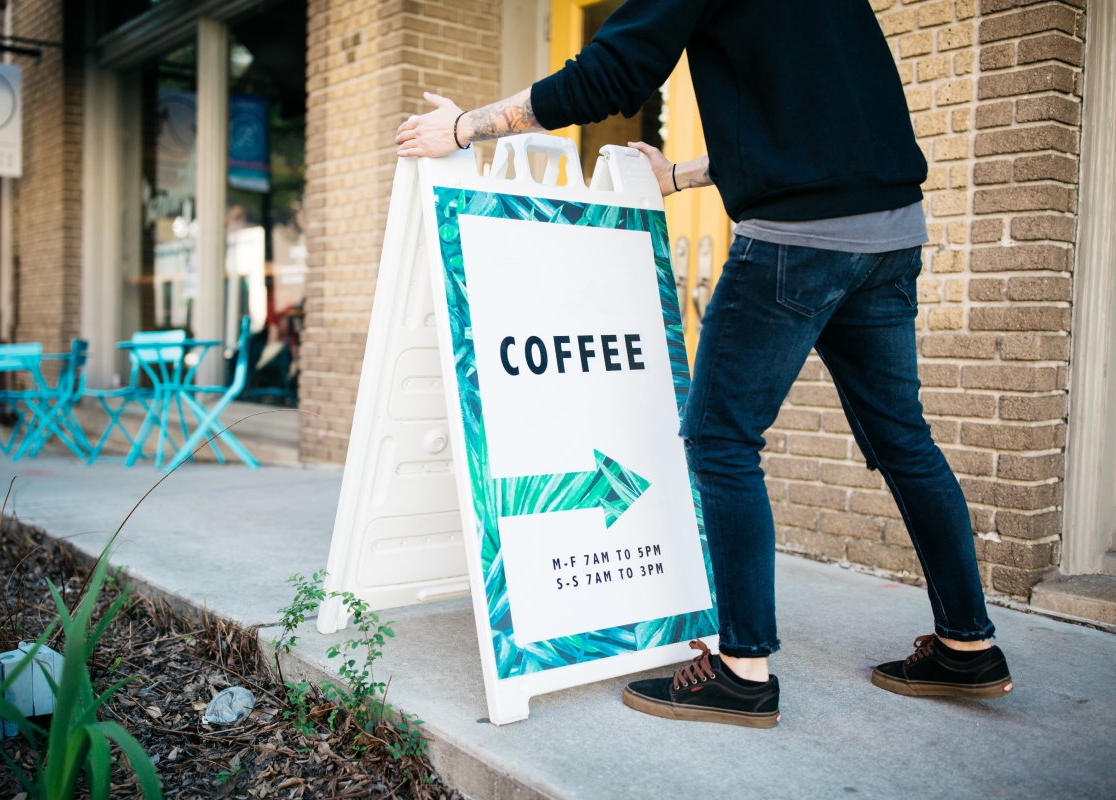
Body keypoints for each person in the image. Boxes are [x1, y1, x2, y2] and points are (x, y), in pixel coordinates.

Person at [395, 0, 1013, 729]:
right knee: (904, 438)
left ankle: (742, 669)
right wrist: (682, 175)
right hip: (891, 235)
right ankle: (967, 647)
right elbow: (812, 125)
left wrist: (466, 127)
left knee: (721, 441)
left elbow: (607, 78)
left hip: (797, 242)